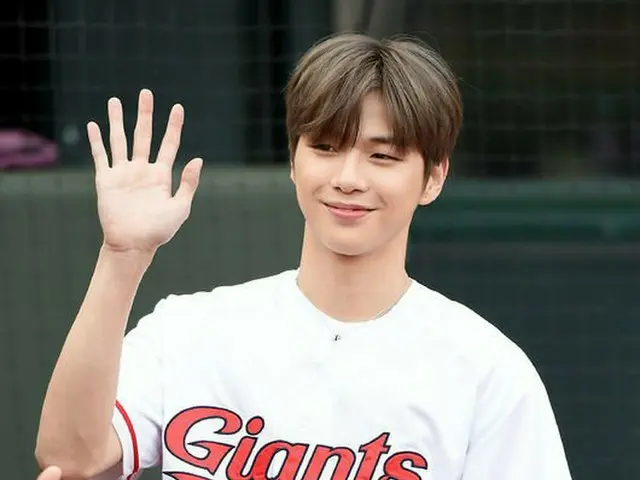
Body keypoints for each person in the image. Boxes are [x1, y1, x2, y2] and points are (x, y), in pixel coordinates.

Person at [35, 33, 572, 480]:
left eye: (383, 155)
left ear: (433, 177)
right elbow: (70, 461)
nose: (348, 178)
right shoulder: (188, 331)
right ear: (293, 160)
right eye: (325, 147)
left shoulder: (486, 371)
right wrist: (122, 256)